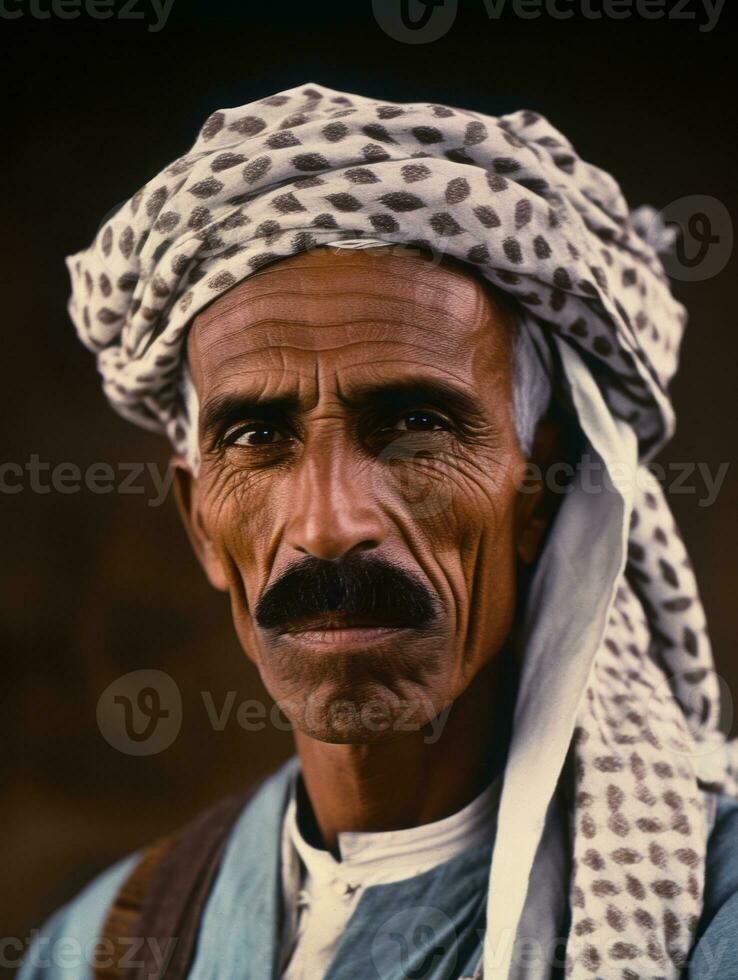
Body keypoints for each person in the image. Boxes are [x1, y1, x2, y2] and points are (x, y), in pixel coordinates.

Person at [18, 82, 738, 980]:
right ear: (200, 523)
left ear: (543, 491)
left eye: (414, 427)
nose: (328, 526)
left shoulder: (708, 915)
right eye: (257, 437)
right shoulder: (99, 949)